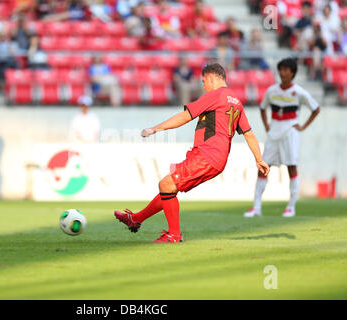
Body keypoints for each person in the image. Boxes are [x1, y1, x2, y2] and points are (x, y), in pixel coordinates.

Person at [114, 63, 270, 243]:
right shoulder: (235, 101)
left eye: (204, 81)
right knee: (170, 188)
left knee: (166, 185)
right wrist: (259, 159)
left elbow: (185, 116)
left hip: (207, 155)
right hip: (215, 158)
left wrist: (155, 128)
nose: (203, 86)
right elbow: (248, 133)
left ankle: (174, 234)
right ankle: (136, 219)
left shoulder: (215, 95)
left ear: (212, 77)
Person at [244, 58, 320, 218]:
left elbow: (315, 108)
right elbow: (262, 107)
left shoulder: (299, 92)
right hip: (274, 133)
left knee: (291, 167)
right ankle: (256, 207)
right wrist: (266, 125)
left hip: (290, 133)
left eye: (286, 69)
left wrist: (303, 126)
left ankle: (291, 207)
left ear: (292, 73)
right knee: (264, 167)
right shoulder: (272, 91)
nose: (282, 72)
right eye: (281, 69)